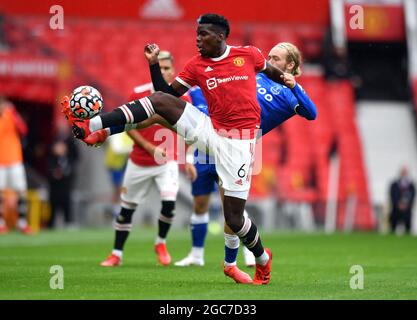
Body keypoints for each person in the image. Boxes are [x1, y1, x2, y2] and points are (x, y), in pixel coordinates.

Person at [66, 14, 298, 285]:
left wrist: (288, 80)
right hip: (211, 131)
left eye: (203, 35)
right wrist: (154, 66)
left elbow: (272, 71)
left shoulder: (248, 54)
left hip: (240, 144)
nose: (197, 39)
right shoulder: (196, 65)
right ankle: (92, 123)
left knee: (234, 218)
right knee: (160, 103)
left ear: (221, 36)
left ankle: (262, 259)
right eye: (196, 35)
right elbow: (166, 94)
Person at [175, 42, 317, 268]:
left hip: (238, 148)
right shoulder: (255, 73)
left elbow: (312, 113)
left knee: (231, 210)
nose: (270, 61)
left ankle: (248, 253)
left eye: (276, 59)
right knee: (201, 202)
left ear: (290, 65)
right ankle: (196, 254)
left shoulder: (290, 94)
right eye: (269, 56)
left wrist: (295, 86)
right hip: (213, 138)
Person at [100, 50, 188, 267]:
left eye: (167, 68)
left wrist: (189, 157)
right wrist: (149, 147)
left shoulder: (184, 98)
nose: (164, 72)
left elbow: (189, 130)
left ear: (174, 71)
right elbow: (127, 126)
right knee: (126, 209)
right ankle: (116, 254)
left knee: (169, 203)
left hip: (166, 161)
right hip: (139, 161)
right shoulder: (138, 93)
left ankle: (160, 243)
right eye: (161, 68)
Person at [0, 97, 32, 234]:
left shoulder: (10, 115)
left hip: (14, 159)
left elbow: (23, 130)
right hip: (0, 161)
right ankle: (1, 224)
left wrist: (13, 112)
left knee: (21, 191)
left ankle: (22, 223)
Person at [47, 124, 79, 229]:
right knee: (53, 200)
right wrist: (54, 172)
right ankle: (51, 223)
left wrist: (66, 171)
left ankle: (68, 221)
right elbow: (47, 160)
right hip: (54, 179)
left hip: (66, 177)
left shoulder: (72, 141)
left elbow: (76, 158)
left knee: (66, 199)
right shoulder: (53, 140)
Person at [389, 166, 415, 234]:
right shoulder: (394, 184)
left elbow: (412, 196)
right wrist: (398, 204)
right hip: (396, 209)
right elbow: (392, 195)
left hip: (407, 209)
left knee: (407, 228)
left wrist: (406, 205)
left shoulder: (411, 185)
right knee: (393, 227)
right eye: (402, 171)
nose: (404, 173)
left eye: (405, 172)